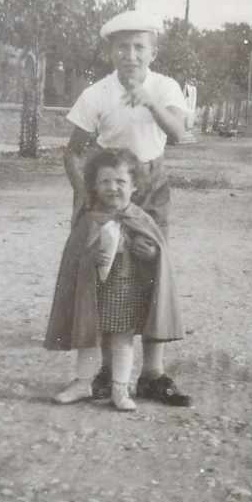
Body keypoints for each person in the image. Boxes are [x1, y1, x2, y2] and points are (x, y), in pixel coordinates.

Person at [55, 9, 192, 407]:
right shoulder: (96, 93)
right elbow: (73, 151)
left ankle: (153, 374)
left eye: (138, 47)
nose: (130, 55)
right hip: (109, 189)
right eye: (121, 47)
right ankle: (104, 372)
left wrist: (149, 102)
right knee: (105, 273)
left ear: (152, 52)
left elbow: (179, 134)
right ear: (109, 52)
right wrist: (85, 195)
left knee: (151, 268)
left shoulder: (165, 87)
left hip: (150, 185)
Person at [45, 149, 183, 412]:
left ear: (134, 186)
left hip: (125, 292)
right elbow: (75, 256)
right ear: (94, 186)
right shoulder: (89, 220)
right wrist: (90, 256)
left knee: (122, 339)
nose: (112, 188)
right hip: (92, 291)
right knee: (88, 337)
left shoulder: (141, 219)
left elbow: (158, 256)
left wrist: (150, 254)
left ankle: (120, 388)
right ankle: (83, 382)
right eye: (105, 181)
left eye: (120, 182)